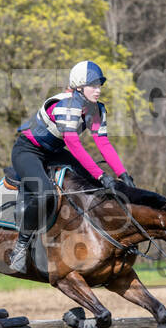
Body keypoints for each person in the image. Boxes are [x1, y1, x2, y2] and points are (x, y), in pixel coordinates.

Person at [8, 60, 135, 273]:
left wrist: (123, 174)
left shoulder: (97, 109)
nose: (98, 89)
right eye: (93, 85)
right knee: (45, 193)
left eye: (100, 85)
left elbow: (103, 143)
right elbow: (74, 144)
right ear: (78, 86)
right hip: (28, 150)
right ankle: (20, 247)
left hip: (54, 153)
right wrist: (102, 174)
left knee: (95, 184)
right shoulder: (67, 105)